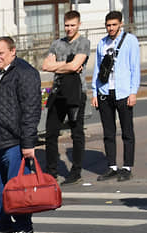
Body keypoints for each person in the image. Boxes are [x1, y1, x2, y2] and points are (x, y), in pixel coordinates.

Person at [0, 36, 41, 233]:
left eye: (0, 53)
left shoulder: (24, 73)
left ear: (13, 51)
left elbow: (31, 109)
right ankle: (3, 226)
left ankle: (24, 228)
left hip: (13, 141)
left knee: (16, 187)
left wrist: (29, 142)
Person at [91, 11, 141, 182]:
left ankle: (127, 167)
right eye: (108, 25)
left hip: (123, 91)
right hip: (105, 91)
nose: (110, 28)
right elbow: (98, 69)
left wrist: (133, 92)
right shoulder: (102, 43)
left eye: (113, 24)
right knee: (108, 132)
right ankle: (112, 166)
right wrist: (95, 92)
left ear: (120, 24)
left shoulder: (130, 41)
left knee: (127, 131)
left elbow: (135, 68)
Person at [41, 10, 90, 185]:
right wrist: (67, 64)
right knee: (50, 133)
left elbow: (77, 64)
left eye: (72, 25)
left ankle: (75, 172)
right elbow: (46, 66)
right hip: (57, 92)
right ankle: (51, 171)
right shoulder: (57, 44)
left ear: (79, 25)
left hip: (76, 93)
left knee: (77, 133)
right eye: (67, 25)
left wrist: (62, 65)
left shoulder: (84, 42)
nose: (69, 28)